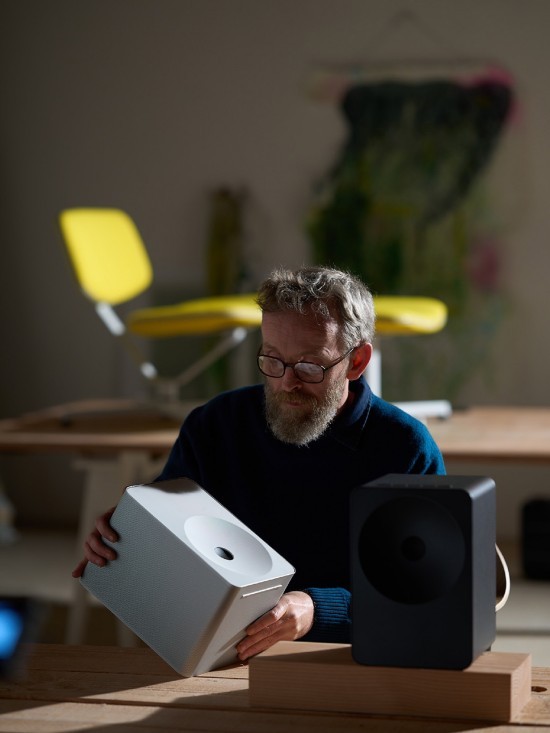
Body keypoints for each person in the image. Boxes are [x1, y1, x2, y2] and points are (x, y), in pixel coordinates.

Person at [73, 265, 445, 661]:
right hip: (225, 659)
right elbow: (174, 543)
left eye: (309, 366)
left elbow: (426, 598)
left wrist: (317, 610)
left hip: (351, 660)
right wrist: (132, 534)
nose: (287, 383)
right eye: (272, 359)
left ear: (357, 361)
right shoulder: (215, 426)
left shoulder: (405, 449)